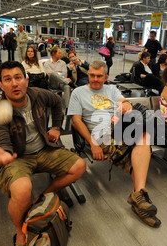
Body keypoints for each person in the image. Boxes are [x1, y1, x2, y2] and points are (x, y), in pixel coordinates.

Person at [0, 61, 86, 246]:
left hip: (44, 149)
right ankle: (20, 232)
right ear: (1, 86)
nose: (14, 83)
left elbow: (57, 102)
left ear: (26, 80)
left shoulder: (37, 95)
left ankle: (44, 197)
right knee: (22, 189)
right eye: (7, 79)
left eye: (18, 77)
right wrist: (4, 152)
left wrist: (56, 127)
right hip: (17, 158)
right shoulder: (1, 108)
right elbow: (0, 134)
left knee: (79, 166)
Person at [68, 60, 161, 228]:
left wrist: (125, 106)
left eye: (99, 76)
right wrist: (93, 144)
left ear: (106, 77)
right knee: (139, 148)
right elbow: (76, 121)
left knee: (144, 137)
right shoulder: (78, 92)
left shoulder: (111, 89)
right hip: (100, 135)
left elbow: (124, 102)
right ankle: (140, 200)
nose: (95, 79)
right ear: (88, 74)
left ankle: (138, 197)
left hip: (119, 127)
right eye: (92, 75)